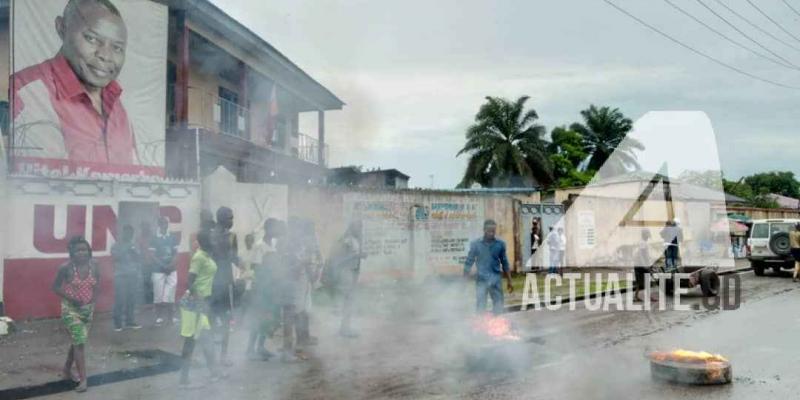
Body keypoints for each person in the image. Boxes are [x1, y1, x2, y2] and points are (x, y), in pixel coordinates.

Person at [11, 0, 139, 166]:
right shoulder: (25, 92)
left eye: (117, 48)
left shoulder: (119, 105)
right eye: (92, 38)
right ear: (61, 28)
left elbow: (135, 175)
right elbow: (32, 184)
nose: (105, 56)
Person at [52, 236, 100, 393]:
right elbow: (56, 287)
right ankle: (83, 380)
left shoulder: (95, 265)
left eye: (84, 249)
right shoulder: (65, 268)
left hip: (88, 310)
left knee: (78, 341)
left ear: (89, 251)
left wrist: (93, 301)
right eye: (78, 250)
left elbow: (97, 284)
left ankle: (66, 370)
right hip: (70, 310)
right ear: (72, 252)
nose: (82, 253)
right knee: (79, 342)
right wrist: (72, 298)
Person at [179, 231, 224, 389]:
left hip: (201, 303)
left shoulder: (206, 254)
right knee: (191, 340)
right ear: (205, 241)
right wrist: (200, 301)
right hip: (194, 304)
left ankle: (214, 372)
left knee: (205, 338)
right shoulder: (199, 257)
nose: (214, 240)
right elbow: (189, 282)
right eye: (212, 238)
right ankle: (183, 380)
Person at [245, 218, 283, 361]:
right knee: (258, 318)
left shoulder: (272, 245)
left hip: (270, 287)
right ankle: (250, 349)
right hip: (261, 287)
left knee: (266, 318)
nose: (278, 231)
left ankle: (260, 346)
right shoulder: (259, 246)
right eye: (276, 228)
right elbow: (256, 267)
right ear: (269, 229)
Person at [325, 220, 367, 338]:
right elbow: (339, 259)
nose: (360, 229)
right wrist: (356, 256)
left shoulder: (355, 240)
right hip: (345, 273)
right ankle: (344, 329)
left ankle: (345, 327)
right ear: (352, 227)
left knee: (349, 301)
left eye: (361, 227)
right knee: (347, 300)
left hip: (352, 272)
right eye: (358, 227)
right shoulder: (347, 240)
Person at [464, 219, 514, 315]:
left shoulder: (500, 244)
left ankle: (498, 326)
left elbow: (505, 263)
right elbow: (469, 261)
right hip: (481, 280)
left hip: (496, 280)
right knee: (481, 306)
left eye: (493, 231)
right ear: (484, 230)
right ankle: (481, 326)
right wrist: (464, 277)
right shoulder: (476, 244)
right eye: (489, 231)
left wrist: (509, 281)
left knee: (498, 305)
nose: (491, 233)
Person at [210, 206, 239, 366]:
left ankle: (223, 356)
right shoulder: (210, 235)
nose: (232, 221)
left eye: (232, 217)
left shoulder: (232, 237)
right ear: (220, 218)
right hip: (212, 284)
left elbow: (234, 257)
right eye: (229, 217)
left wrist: (246, 268)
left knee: (226, 320)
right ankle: (212, 357)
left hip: (226, 283)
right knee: (211, 320)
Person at [110, 224, 141, 331]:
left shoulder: (134, 244)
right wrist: (127, 248)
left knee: (131, 300)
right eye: (127, 232)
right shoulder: (116, 245)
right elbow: (116, 257)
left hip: (133, 275)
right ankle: (117, 323)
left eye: (131, 233)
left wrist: (135, 252)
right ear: (123, 233)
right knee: (120, 300)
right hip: (121, 276)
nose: (129, 235)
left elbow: (138, 258)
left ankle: (129, 321)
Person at [150, 217, 177, 326]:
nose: (164, 225)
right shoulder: (154, 238)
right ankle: (159, 317)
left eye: (166, 223)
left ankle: (171, 318)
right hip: (158, 270)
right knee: (158, 295)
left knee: (170, 294)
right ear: (159, 224)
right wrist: (163, 266)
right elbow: (152, 256)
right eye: (162, 223)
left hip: (171, 270)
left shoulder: (172, 237)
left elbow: (176, 253)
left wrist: (170, 265)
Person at [633, 230, 656, 302]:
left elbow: (644, 255)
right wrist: (645, 265)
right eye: (648, 235)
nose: (648, 237)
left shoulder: (642, 242)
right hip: (641, 265)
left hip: (638, 264)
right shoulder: (643, 243)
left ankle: (636, 297)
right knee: (647, 280)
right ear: (645, 235)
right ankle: (649, 297)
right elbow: (641, 255)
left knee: (640, 282)